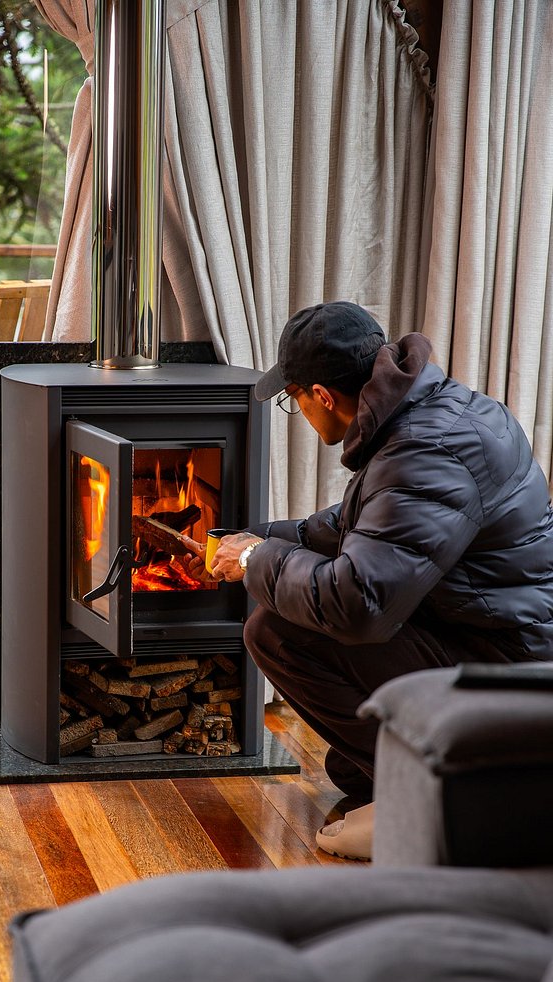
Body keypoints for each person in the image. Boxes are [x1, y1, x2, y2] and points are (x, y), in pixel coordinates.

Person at [182, 301, 553, 860]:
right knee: (347, 762)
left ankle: (430, 795)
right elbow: (359, 526)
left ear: (322, 397)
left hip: (510, 667)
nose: (299, 410)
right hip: (487, 631)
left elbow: (359, 603)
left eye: (293, 399)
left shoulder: (426, 452)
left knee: (275, 630)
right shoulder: (428, 416)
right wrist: (253, 537)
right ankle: (403, 773)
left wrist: (259, 560)